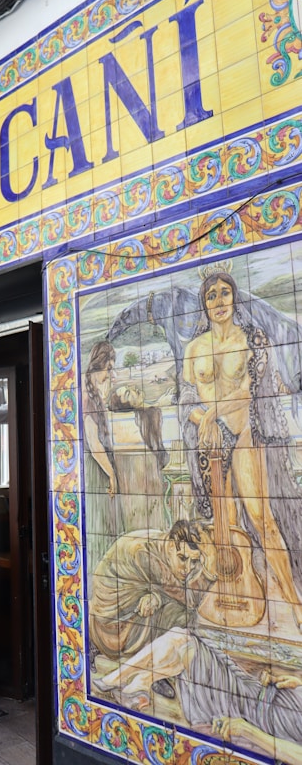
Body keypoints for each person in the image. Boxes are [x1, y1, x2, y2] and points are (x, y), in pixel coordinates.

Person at [179, 264, 302, 629]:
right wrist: (204, 421)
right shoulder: (194, 348)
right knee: (225, 527)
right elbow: (185, 397)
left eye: (224, 293)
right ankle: (235, 599)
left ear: (234, 297)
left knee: (263, 521)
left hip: (243, 435)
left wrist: (214, 411)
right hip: (210, 445)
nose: (218, 301)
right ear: (204, 304)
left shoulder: (250, 338)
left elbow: (250, 390)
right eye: (211, 295)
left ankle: (295, 603)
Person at [93, 626, 302, 765]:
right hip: (259, 694)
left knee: (183, 644)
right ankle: (132, 684)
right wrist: (295, 683)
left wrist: (247, 731)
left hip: (254, 717)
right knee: (182, 640)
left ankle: (121, 683)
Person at [89, 520, 211, 661]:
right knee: (183, 616)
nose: (188, 569)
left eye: (193, 561)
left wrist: (157, 597)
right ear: (171, 546)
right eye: (183, 559)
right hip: (111, 626)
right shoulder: (147, 555)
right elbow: (188, 601)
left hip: (122, 605)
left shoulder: (163, 543)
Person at [83, 340, 123, 571]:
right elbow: (94, 444)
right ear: (100, 365)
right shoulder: (88, 399)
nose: (111, 374)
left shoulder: (94, 395)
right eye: (108, 369)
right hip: (96, 470)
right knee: (99, 523)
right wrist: (112, 475)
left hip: (101, 468)